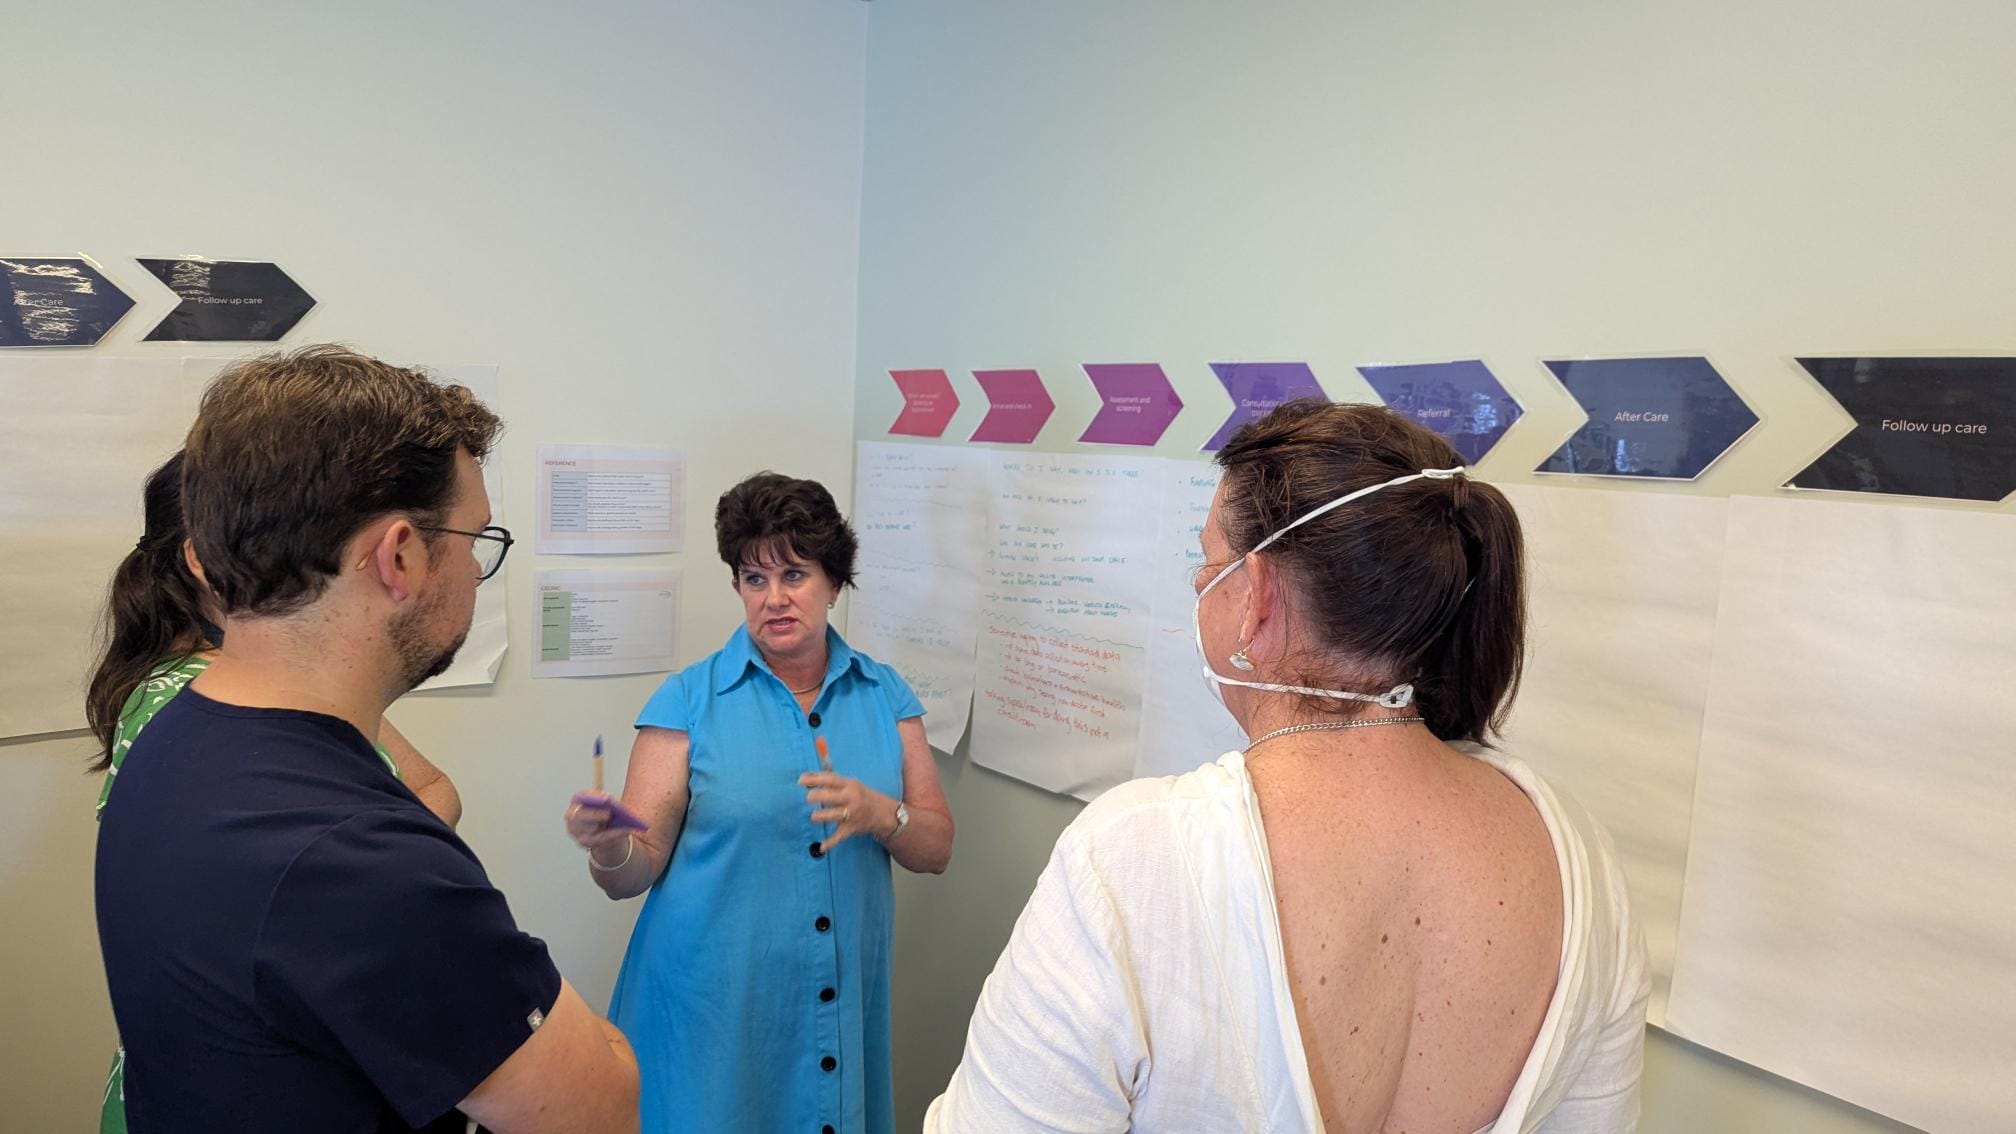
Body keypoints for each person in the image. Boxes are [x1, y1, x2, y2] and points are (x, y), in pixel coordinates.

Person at [926, 402, 1649, 1132]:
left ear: (1256, 596)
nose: (1197, 583)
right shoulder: (1578, 861)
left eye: (1206, 562)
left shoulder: (1134, 858)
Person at [95, 346, 640, 1133]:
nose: (472, 570)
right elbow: (601, 1107)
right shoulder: (356, 860)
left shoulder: (172, 736)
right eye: (473, 538)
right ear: (401, 556)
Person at [85, 450, 464, 1133]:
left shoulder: (280, 696)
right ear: (209, 562)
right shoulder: (184, 705)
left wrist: (383, 881)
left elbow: (434, 789)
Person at [565, 472, 954, 1134]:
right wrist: (609, 848)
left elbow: (937, 848)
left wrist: (879, 815)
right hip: (709, 1015)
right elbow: (635, 869)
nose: (774, 598)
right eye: (753, 579)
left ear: (835, 581)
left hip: (829, 1011)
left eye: (794, 575)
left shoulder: (886, 697)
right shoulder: (687, 702)